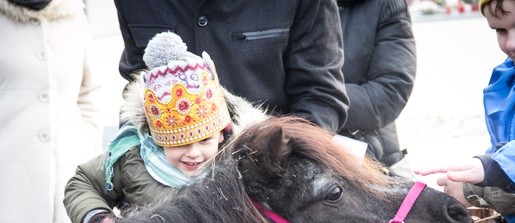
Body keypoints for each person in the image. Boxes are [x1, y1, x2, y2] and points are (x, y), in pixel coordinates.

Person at [64, 32, 266, 223]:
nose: (193, 153)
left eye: (205, 140)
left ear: (222, 134)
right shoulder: (133, 158)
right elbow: (83, 183)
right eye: (179, 143)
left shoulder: (242, 164)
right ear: (158, 139)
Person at [320, 0, 416, 223]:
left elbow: (390, 92)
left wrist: (312, 103)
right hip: (294, 172)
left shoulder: (383, 5)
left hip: (365, 165)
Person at [112, 0, 349, 133]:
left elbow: (320, 97)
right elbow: (138, 90)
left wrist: (276, 160)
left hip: (270, 179)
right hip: (171, 182)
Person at [0, 0, 103, 223]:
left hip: (71, 183)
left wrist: (90, 154)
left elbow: (88, 94)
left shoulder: (75, 19)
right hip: (9, 188)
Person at [414, 0, 515, 223]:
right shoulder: (506, 80)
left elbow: (501, 164)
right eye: (501, 30)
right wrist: (475, 173)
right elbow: (502, 148)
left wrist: (478, 187)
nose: (513, 44)